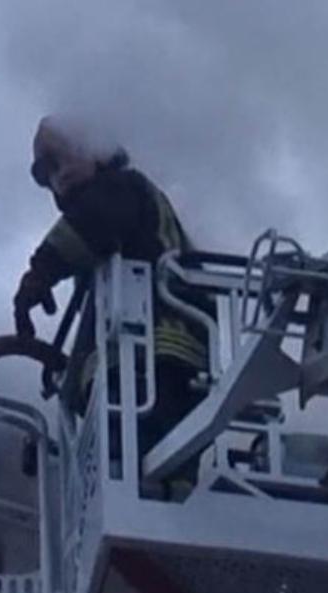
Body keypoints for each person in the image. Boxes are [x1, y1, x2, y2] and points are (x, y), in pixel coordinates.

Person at [14, 115, 209, 450]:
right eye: (47, 173)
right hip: (157, 363)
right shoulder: (130, 216)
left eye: (62, 157)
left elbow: (91, 223)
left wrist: (39, 274)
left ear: (98, 148)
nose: (58, 176)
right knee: (145, 458)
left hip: (151, 357)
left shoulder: (122, 188)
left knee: (132, 451)